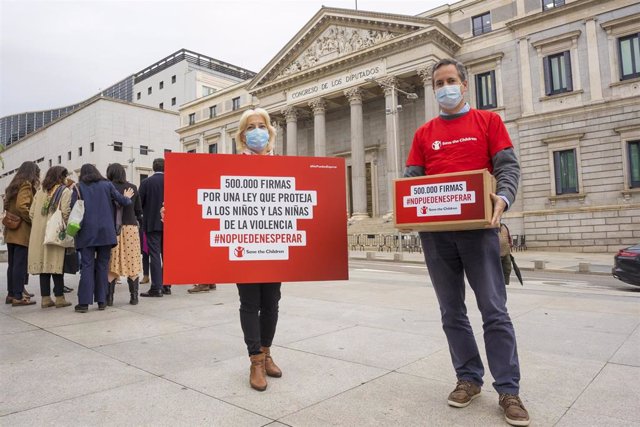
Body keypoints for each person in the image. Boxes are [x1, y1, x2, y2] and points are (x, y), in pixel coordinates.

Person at [404, 58, 529, 426]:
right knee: (451, 312)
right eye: (438, 83)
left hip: (480, 232)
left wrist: (503, 199)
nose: (445, 87)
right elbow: (412, 180)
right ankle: (468, 379)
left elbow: (508, 167)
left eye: (451, 80)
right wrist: (407, 208)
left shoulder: (489, 122)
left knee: (494, 310)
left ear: (464, 84)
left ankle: (508, 389)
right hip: (437, 237)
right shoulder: (424, 133)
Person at [234, 108, 282, 391]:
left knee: (272, 302)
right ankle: (255, 360)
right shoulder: (234, 164)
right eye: (250, 127)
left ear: (269, 130)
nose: (256, 131)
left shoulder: (282, 164)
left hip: (275, 245)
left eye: (261, 125)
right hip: (245, 246)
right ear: (242, 135)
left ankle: (266, 352)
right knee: (250, 303)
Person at [71, 164, 133, 313]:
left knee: (86, 266)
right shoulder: (107, 185)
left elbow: (73, 209)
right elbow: (123, 202)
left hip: (86, 233)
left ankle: (84, 303)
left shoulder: (78, 187)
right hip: (106, 232)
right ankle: (101, 301)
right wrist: (127, 197)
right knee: (103, 266)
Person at [27, 166, 73, 308]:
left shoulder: (40, 191)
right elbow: (65, 213)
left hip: (39, 234)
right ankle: (59, 298)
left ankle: (45, 298)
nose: (66, 179)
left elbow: (31, 213)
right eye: (65, 176)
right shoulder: (64, 191)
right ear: (61, 177)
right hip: (55, 232)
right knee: (56, 265)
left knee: (43, 266)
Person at [106, 163, 143, 305]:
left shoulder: (108, 187)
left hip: (113, 228)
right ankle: (134, 298)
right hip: (131, 228)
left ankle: (109, 299)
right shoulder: (132, 187)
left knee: (113, 262)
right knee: (132, 261)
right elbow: (139, 210)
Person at [3, 161, 40, 306]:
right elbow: (22, 206)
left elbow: (7, 205)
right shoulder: (26, 185)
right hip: (21, 231)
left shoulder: (13, 185)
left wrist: (12, 216)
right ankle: (18, 296)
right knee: (19, 264)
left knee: (12, 264)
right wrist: (31, 219)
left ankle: (11, 294)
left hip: (11, 230)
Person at [139, 158, 167, 297]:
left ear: (153, 167)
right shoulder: (173, 181)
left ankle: (157, 287)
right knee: (167, 255)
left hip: (152, 223)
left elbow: (139, 203)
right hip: (170, 224)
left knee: (154, 254)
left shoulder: (146, 183)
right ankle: (167, 284)